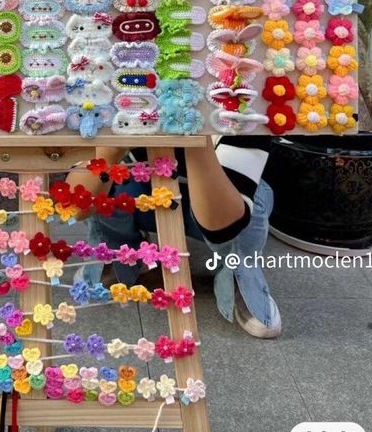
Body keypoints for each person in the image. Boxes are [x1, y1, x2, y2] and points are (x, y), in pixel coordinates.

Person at [67, 138, 281, 339]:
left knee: (248, 208)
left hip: (224, 192)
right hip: (144, 183)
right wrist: (109, 152)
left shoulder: (240, 105)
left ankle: (240, 277)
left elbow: (221, 226)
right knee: (106, 179)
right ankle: (118, 255)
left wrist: (196, 139)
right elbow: (75, 206)